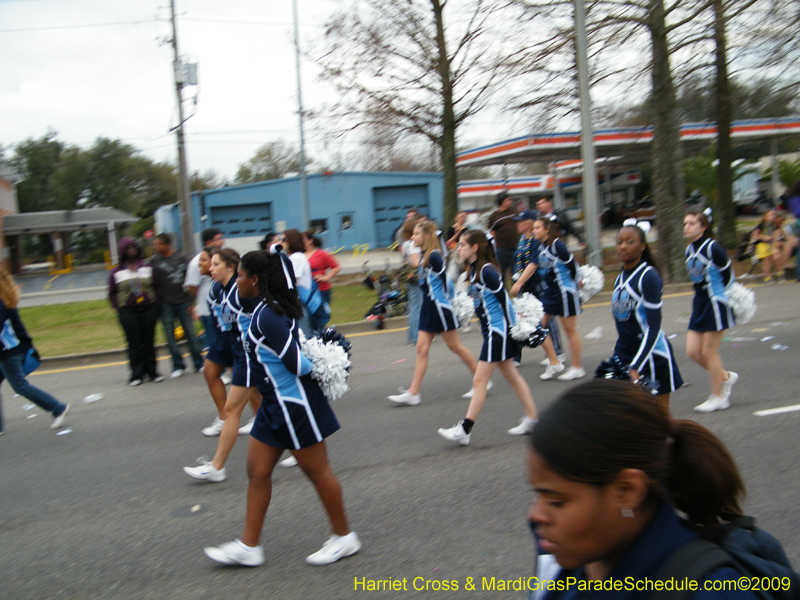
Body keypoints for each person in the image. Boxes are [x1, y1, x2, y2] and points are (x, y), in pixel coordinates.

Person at [528, 379, 762, 600]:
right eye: (538, 494)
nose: (536, 515)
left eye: (557, 501)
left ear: (627, 490)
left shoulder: (707, 591)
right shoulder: (575, 556)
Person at [203, 250, 360, 567]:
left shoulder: (266, 316)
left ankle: (344, 537)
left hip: (294, 405)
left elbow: (298, 364)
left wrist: (320, 361)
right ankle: (249, 547)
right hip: (274, 405)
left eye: (243, 275)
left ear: (255, 280)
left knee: (317, 472)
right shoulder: (267, 309)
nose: (239, 281)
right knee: (256, 471)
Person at [438, 230, 538, 446]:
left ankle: (465, 429)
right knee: (512, 376)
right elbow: (479, 301)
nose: (459, 248)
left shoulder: (487, 271)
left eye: (463, 244)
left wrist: (517, 329)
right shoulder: (474, 270)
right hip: (491, 331)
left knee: (479, 380)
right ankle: (532, 418)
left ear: (475, 247)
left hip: (498, 332)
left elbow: (505, 300)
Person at [184, 248, 261, 480]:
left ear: (230, 267)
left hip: (249, 353)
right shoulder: (219, 290)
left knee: (234, 410)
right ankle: (299, 447)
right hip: (236, 348)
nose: (209, 268)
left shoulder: (242, 292)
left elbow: (262, 317)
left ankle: (217, 467)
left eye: (214, 264)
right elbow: (227, 323)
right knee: (260, 408)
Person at [388, 221, 478, 405]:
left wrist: (454, 303)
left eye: (416, 234)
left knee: (455, 347)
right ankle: (413, 393)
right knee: (421, 349)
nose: (412, 237)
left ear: (427, 236)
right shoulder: (424, 255)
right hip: (428, 307)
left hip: (439, 307)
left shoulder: (435, 257)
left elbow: (448, 283)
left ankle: (481, 381)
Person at [611, 220, 683, 414]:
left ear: (642, 246)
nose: (623, 246)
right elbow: (624, 325)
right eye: (619, 242)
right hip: (626, 355)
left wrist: (636, 366)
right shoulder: (620, 278)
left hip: (651, 358)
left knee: (659, 423)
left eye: (630, 241)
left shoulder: (648, 277)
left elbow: (653, 327)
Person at [0, 267, 69, 434]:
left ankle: (57, 408)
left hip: (8, 352)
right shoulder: (5, 297)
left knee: (20, 387)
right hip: (11, 349)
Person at [684, 208, 737, 413]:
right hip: (699, 303)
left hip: (715, 302)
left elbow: (727, 275)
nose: (686, 227)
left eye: (691, 223)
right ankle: (725, 377)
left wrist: (721, 295)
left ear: (703, 227)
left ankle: (718, 396)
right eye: (685, 224)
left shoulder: (713, 247)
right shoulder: (689, 250)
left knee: (708, 352)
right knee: (692, 352)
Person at [509, 209, 565, 366]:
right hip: (523, 285)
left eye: (520, 221)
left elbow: (534, 263)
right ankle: (516, 356)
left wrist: (519, 281)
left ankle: (557, 352)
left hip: (537, 284)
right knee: (519, 317)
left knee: (545, 318)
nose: (517, 224)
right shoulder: (522, 239)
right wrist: (516, 280)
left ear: (529, 224)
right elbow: (517, 261)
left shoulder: (535, 240)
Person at [532, 216, 584, 381]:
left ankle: (577, 367)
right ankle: (555, 362)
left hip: (564, 291)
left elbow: (571, 265)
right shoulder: (541, 247)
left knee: (570, 330)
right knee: (537, 326)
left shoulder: (557, 245)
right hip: (550, 292)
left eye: (537, 227)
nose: (534, 231)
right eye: (534, 228)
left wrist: (576, 284)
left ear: (547, 229)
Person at [108, 236, 162, 386]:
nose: (132, 251)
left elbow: (156, 286)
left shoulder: (146, 267)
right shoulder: (116, 272)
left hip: (148, 309)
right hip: (128, 312)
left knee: (149, 342)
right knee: (134, 344)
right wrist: (119, 307)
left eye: (134, 248)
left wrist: (155, 302)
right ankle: (136, 375)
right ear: (122, 252)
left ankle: (152, 372)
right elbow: (112, 293)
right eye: (128, 249)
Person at [150, 233, 204, 378]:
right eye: (155, 244)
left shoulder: (181, 258)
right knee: (170, 337)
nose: (155, 247)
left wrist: (191, 302)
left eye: (159, 244)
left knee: (191, 334)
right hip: (165, 304)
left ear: (167, 245)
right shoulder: (153, 261)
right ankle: (177, 365)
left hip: (183, 302)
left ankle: (198, 363)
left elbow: (191, 279)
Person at [185, 228, 225, 349]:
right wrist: (199, 305)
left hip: (223, 311)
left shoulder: (224, 258)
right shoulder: (196, 263)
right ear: (208, 242)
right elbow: (192, 287)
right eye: (218, 239)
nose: (222, 242)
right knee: (215, 345)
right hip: (208, 312)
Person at [282, 228, 314, 337]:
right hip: (295, 301)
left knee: (305, 338)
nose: (281, 242)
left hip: (299, 302)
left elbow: (290, 281)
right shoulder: (291, 257)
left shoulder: (297, 257)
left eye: (284, 239)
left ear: (292, 240)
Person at [304, 230, 340, 325]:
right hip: (307, 292)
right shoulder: (299, 255)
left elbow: (336, 267)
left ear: (309, 241)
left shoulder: (321, 253)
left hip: (321, 290)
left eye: (302, 239)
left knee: (320, 317)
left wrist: (326, 277)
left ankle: (321, 336)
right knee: (308, 318)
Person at [400, 218, 423, 345]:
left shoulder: (405, 244)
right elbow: (415, 262)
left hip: (410, 278)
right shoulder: (413, 245)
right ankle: (416, 336)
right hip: (416, 277)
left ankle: (412, 335)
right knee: (417, 307)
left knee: (413, 306)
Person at [488, 192, 520, 280]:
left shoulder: (514, 212)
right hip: (502, 249)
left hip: (515, 247)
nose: (510, 202)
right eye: (507, 200)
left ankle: (517, 291)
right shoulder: (494, 216)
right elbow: (492, 231)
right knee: (501, 273)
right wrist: (496, 244)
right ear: (501, 202)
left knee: (516, 272)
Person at [748, 209, 777, 283]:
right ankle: (767, 277)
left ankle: (779, 272)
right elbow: (755, 235)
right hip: (760, 244)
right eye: (770, 215)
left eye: (773, 214)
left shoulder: (773, 226)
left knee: (776, 254)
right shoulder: (761, 225)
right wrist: (764, 237)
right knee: (766, 259)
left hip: (769, 244)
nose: (772, 216)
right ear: (765, 217)